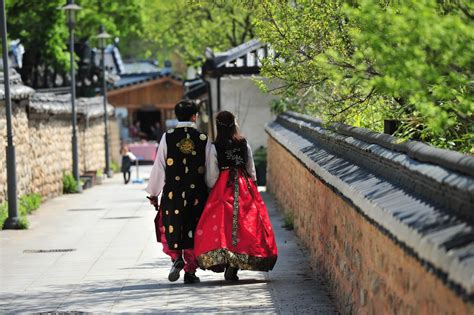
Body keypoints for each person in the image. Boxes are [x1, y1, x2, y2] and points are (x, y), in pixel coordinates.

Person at [194, 111, 278, 281]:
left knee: (223, 226)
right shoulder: (243, 143)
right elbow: (250, 167)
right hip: (244, 185)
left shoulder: (214, 147)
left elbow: (212, 174)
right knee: (245, 224)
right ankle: (236, 263)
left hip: (224, 187)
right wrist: (252, 184)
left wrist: (212, 189)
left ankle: (227, 260)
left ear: (218, 126)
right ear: (234, 125)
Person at [146, 100, 210, 284]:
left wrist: (153, 193)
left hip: (173, 194)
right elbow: (210, 169)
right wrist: (211, 189)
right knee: (192, 229)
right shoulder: (203, 139)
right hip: (196, 194)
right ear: (194, 116)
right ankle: (190, 272)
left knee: (172, 226)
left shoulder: (168, 137)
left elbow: (159, 166)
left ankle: (176, 259)